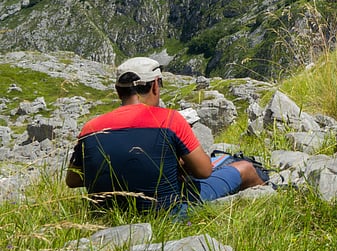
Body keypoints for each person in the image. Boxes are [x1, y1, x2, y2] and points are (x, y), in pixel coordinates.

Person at [66, 57, 265, 213]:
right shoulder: (170, 120)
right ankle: (263, 205)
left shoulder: (90, 128)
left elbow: (73, 180)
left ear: (119, 92)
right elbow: (204, 171)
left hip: (106, 212)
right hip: (169, 211)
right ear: (155, 86)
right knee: (245, 167)